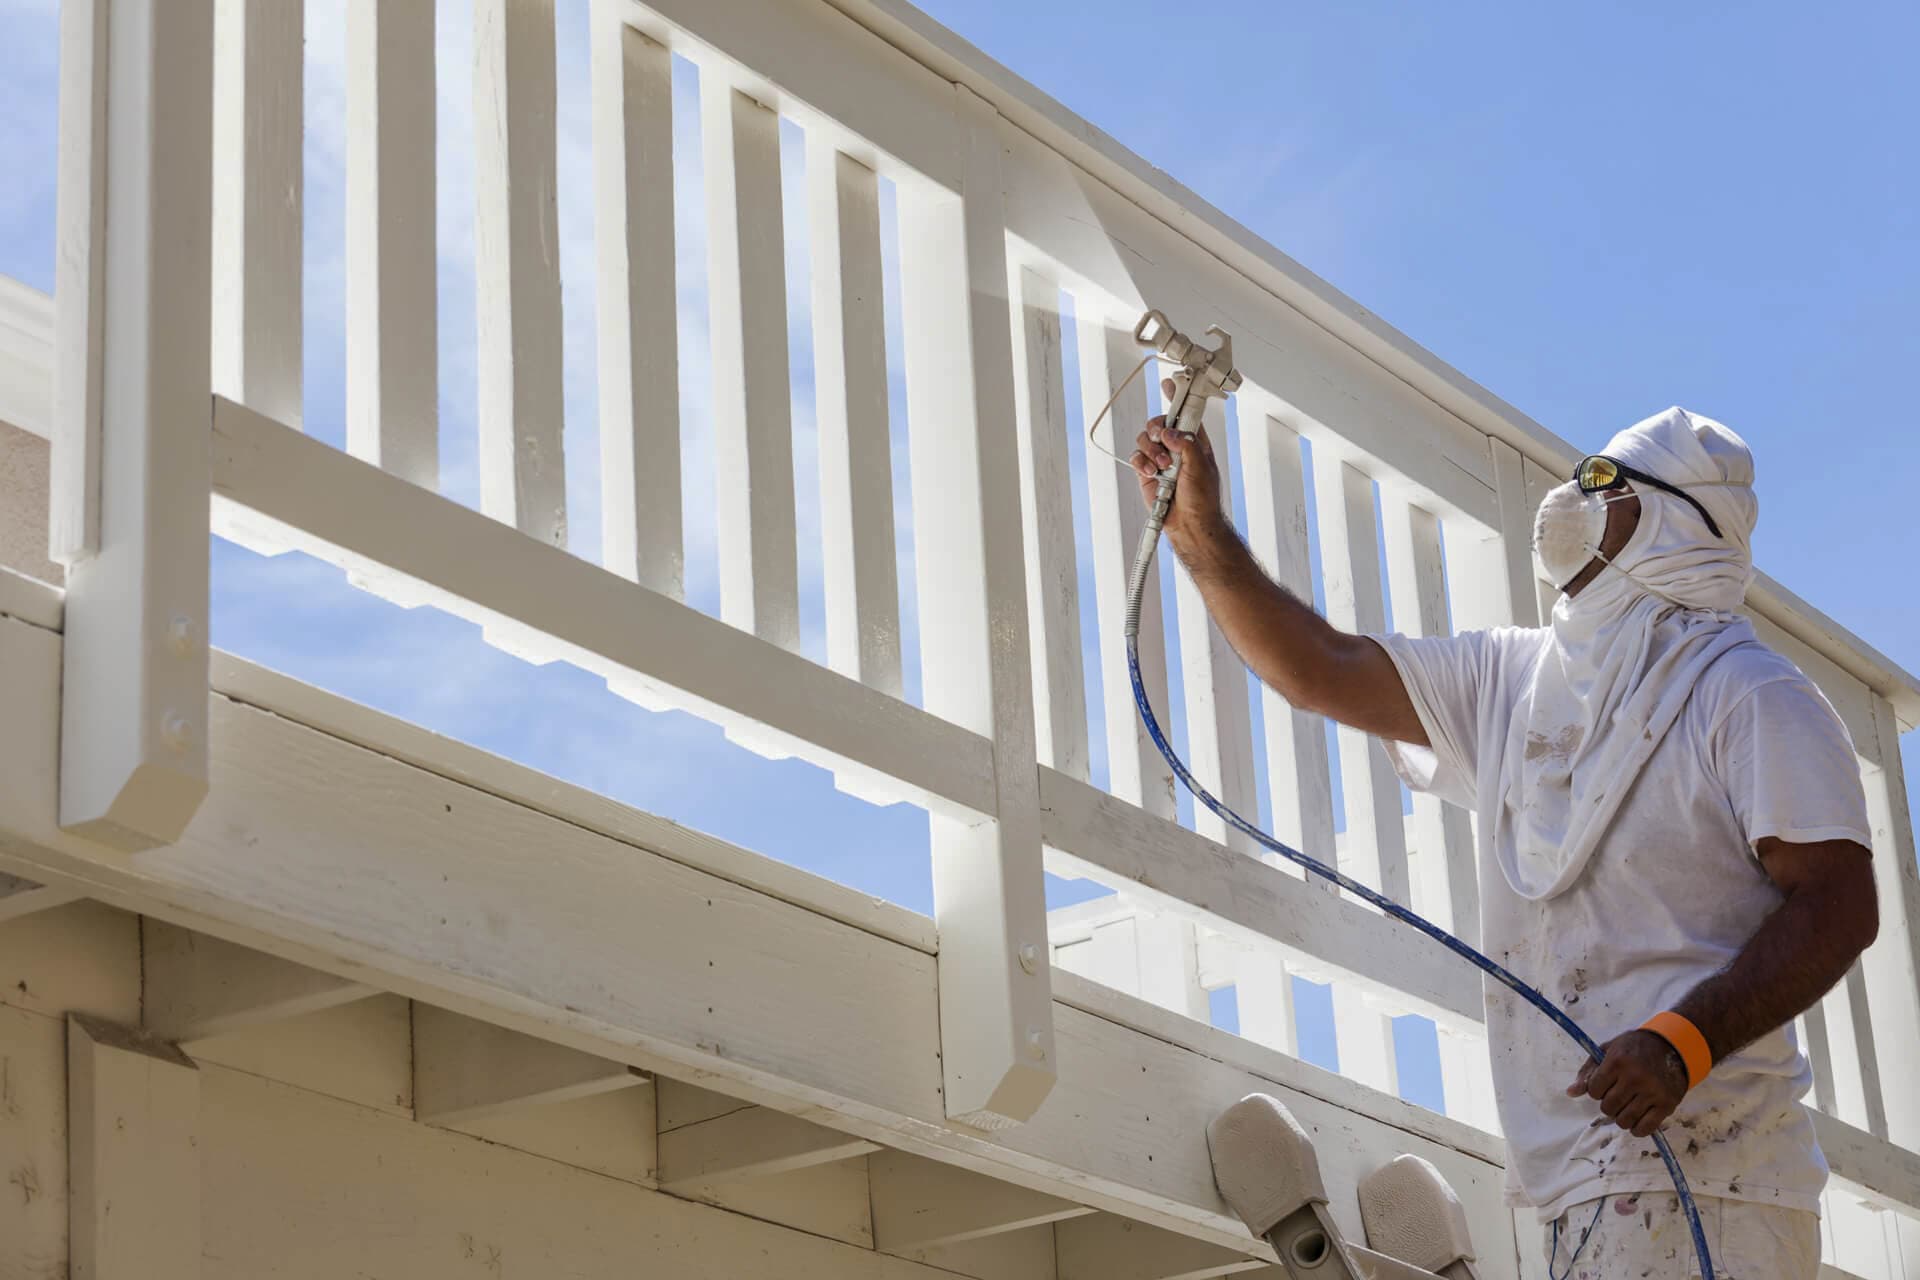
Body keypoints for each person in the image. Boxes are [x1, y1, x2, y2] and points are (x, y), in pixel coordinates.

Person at [1132, 398, 1879, 1279]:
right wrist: (1198, 531)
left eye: (1605, 480)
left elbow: (1838, 904)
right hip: (1570, 1178)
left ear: (1673, 522)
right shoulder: (1512, 677)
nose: (1576, 492)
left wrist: (1684, 1042)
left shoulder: (1749, 694)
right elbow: (1319, 670)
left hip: (1720, 1180)